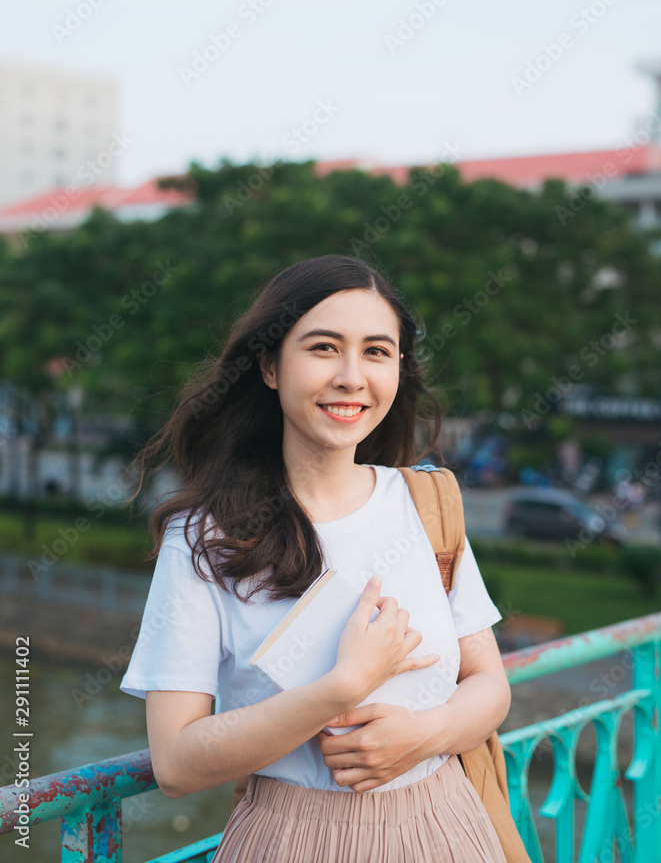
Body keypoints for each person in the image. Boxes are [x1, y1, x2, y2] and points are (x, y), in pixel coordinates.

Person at [120, 254, 512, 862]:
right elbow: (175, 762)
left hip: (447, 824)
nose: (353, 377)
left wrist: (422, 736)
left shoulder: (427, 503)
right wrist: (343, 686)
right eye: (324, 348)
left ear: (398, 369)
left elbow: (488, 682)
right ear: (271, 366)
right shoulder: (206, 537)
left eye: (377, 352)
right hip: (292, 839)